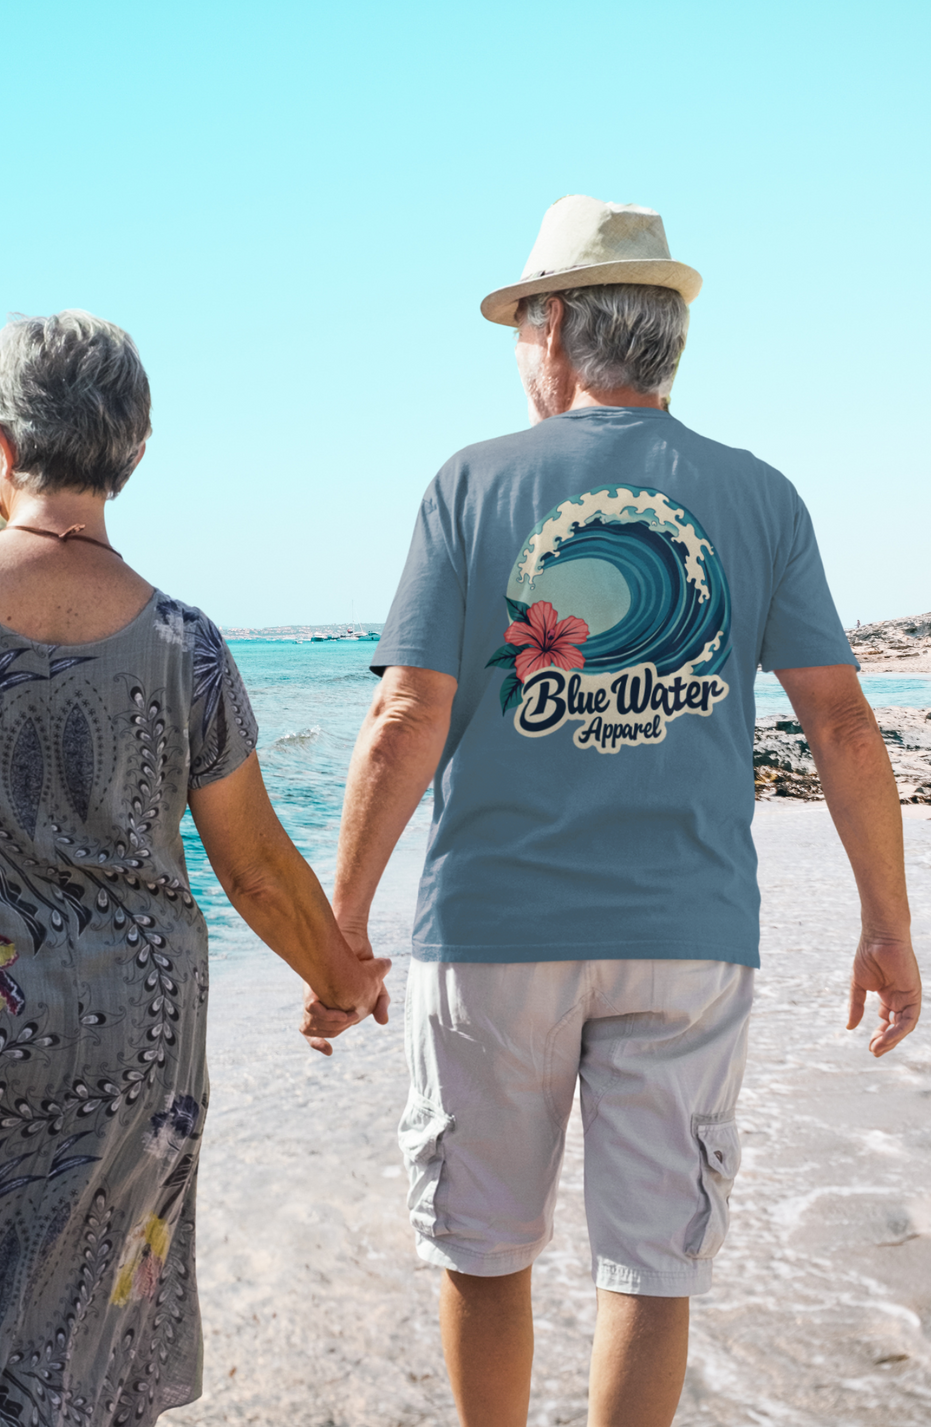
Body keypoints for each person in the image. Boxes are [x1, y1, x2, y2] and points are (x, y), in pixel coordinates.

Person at [305, 195, 922, 1427]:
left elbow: (403, 717)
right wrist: (886, 926)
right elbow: (843, 727)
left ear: (551, 326)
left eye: (518, 325)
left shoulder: (469, 483)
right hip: (687, 938)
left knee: (482, 1249)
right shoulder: (758, 495)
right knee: (649, 1263)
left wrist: (341, 927)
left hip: (491, 936)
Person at [0, 311, 388, 1425]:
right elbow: (251, 866)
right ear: (134, 452)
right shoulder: (184, 643)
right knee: (83, 1357)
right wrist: (339, 978)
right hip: (126, 1041)